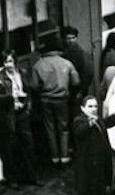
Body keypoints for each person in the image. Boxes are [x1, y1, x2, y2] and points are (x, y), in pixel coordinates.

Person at [0, 51, 38, 187]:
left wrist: (27, 106)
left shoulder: (22, 73)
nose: (8, 65)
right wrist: (10, 99)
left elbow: (29, 90)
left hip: (22, 113)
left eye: (10, 61)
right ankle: (12, 178)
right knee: (10, 146)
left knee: (28, 144)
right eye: (6, 62)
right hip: (7, 115)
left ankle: (30, 176)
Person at [31, 37, 80, 166]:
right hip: (62, 99)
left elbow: (34, 86)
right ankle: (64, 156)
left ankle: (54, 157)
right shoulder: (67, 63)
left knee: (50, 128)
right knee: (63, 128)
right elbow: (76, 82)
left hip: (45, 100)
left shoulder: (38, 65)